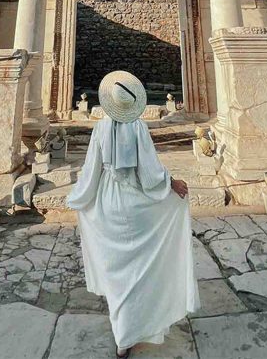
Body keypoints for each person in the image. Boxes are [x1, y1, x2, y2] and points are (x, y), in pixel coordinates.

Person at [67, 71, 199, 358]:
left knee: (116, 269)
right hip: (136, 202)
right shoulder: (138, 127)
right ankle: (137, 326)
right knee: (140, 269)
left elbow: (91, 173)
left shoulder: (100, 129)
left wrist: (79, 199)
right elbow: (151, 175)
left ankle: (123, 336)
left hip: (108, 204)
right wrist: (172, 184)